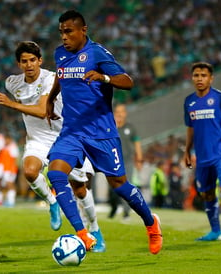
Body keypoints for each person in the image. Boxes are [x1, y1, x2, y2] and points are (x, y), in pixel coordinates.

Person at [46, 10, 162, 254]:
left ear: (83, 30)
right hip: (72, 131)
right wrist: (50, 99)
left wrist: (104, 77)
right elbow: (61, 76)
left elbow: (127, 81)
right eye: (61, 32)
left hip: (101, 132)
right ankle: (83, 235)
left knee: (120, 185)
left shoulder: (97, 53)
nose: (64, 37)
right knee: (56, 174)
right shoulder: (59, 54)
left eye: (68, 32)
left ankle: (151, 223)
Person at [0, 41, 106, 252]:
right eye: (24, 61)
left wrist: (11, 104)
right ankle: (53, 203)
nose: (29, 65)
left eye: (33, 60)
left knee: (79, 189)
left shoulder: (51, 77)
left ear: (40, 61)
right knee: (30, 171)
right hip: (38, 140)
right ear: (18, 64)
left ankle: (95, 229)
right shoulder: (12, 83)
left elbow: (43, 110)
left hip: (65, 137)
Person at [183, 61, 221, 242]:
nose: (199, 79)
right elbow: (190, 128)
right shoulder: (189, 101)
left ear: (211, 78)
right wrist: (187, 151)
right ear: (192, 78)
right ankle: (216, 231)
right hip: (202, 157)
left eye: (203, 75)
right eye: (196, 75)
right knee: (207, 194)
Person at [108, 103, 144, 220]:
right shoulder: (111, 127)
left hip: (127, 161)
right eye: (117, 112)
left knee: (126, 186)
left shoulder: (130, 127)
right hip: (112, 161)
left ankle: (126, 212)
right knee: (112, 189)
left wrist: (139, 159)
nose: (119, 114)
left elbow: (137, 143)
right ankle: (113, 207)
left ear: (125, 113)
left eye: (121, 112)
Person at [0, 133, 19, 207]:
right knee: (2, 184)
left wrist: (12, 170)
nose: (5, 141)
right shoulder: (3, 147)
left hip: (10, 169)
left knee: (10, 184)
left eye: (7, 140)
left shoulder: (13, 147)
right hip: (4, 169)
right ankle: (1, 199)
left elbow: (15, 160)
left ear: (10, 139)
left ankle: (11, 201)